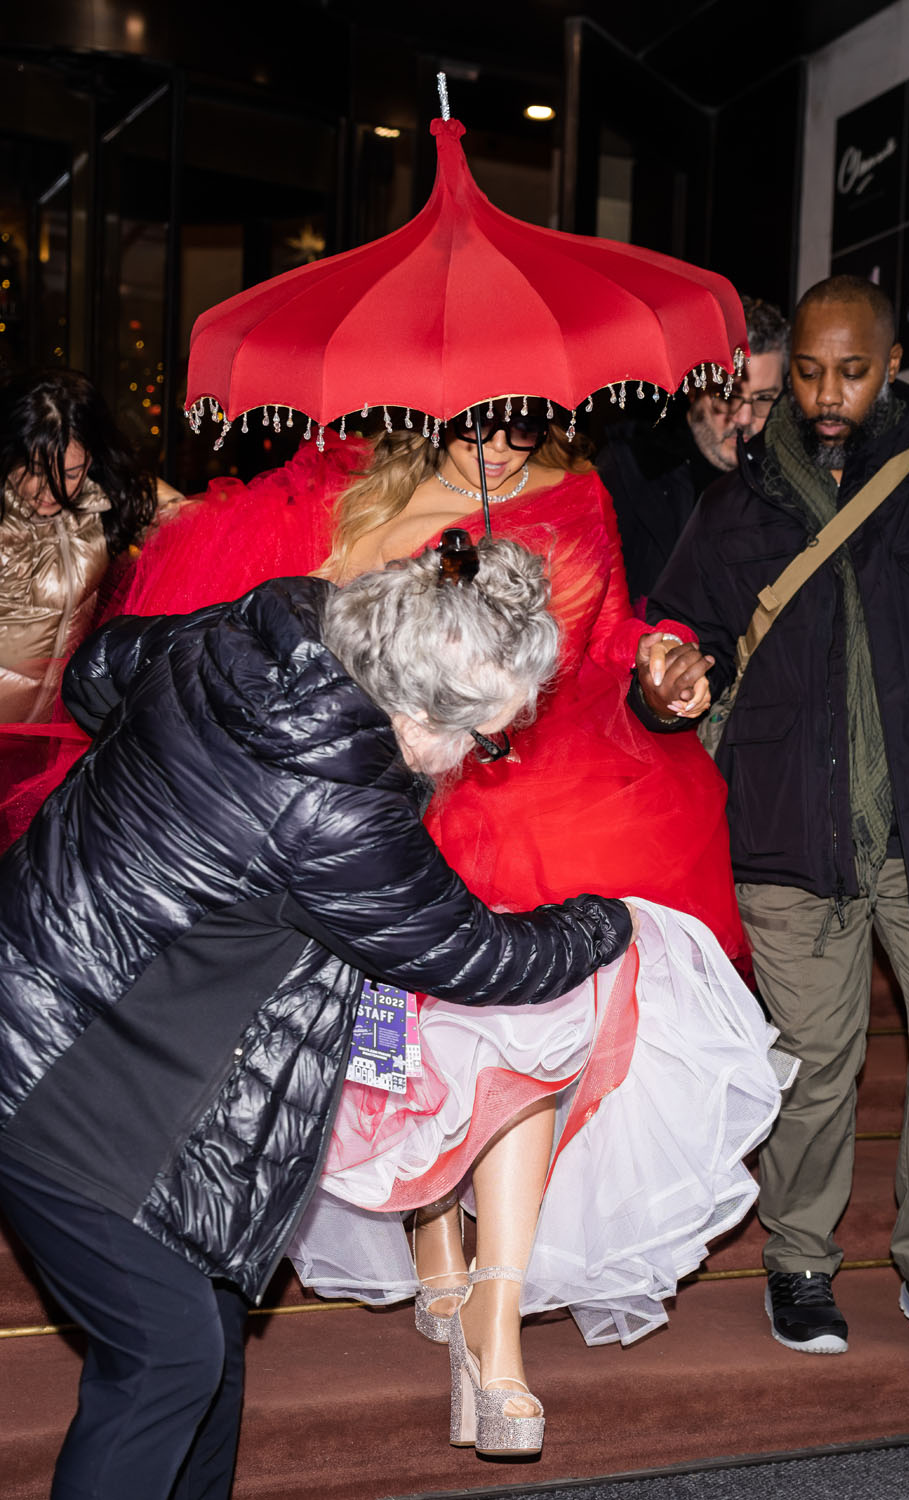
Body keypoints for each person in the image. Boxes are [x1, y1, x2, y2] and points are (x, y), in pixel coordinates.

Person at [119, 404, 793, 1457]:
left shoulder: (579, 494)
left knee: (533, 1022)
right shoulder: (357, 500)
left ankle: (495, 1312)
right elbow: (309, 643)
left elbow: (608, 636)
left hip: (546, 785)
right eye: (482, 425)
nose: (501, 446)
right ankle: (435, 1232)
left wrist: (658, 668)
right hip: (401, 799)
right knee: (425, 1034)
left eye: (526, 425)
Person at [0, 534, 637, 1500]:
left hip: (77, 1000)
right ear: (414, 715)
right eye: (485, 739)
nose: (476, 761)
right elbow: (475, 954)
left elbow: (96, 672)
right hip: (62, 1076)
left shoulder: (251, 635)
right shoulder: (340, 809)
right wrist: (609, 921)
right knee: (170, 1352)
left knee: (210, 1338)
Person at [648, 273, 909, 1389]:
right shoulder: (737, 505)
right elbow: (679, 637)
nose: (827, 393)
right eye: (806, 372)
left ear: (892, 365)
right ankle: (798, 1258)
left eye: (850, 371)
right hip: (792, 830)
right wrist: (667, 677)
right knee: (810, 1063)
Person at [0, 368, 181, 841]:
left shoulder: (112, 500)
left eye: (70, 472)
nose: (49, 491)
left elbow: (202, 524)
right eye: (33, 470)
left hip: (50, 743)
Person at [598, 295, 788, 608]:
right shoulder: (628, 470)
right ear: (694, 387)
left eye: (764, 399)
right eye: (727, 395)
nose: (743, 418)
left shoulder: (788, 483)